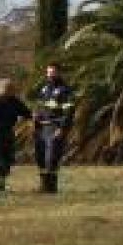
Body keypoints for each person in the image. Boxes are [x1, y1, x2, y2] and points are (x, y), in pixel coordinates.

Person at [0, 78, 31, 196]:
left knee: (7, 160)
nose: (6, 91)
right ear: (0, 89)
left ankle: (1, 186)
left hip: (9, 133)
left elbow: (26, 113)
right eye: (5, 88)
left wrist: (28, 120)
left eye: (9, 88)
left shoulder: (15, 102)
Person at [32, 63, 74, 193]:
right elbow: (39, 106)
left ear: (58, 73)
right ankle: (43, 185)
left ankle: (51, 187)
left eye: (52, 72)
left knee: (51, 157)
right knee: (40, 157)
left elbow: (69, 111)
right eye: (48, 72)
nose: (50, 75)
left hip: (54, 127)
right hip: (41, 128)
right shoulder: (44, 89)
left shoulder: (65, 90)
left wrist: (62, 128)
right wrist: (35, 118)